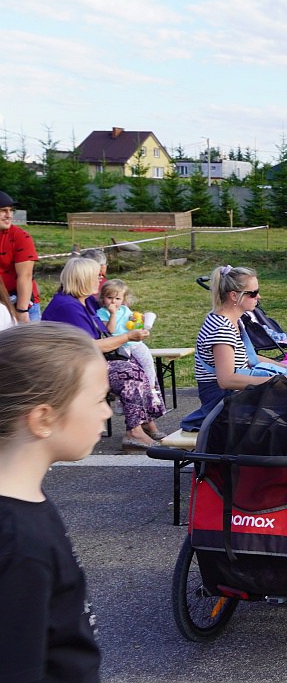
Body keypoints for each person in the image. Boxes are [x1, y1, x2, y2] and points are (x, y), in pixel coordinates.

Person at [0, 322, 108, 682]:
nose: (108, 413)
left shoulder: (25, 503)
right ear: (43, 418)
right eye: (98, 399)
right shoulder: (19, 543)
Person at [42, 257, 166, 450]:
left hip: (88, 362)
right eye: (96, 276)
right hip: (72, 368)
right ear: (82, 279)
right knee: (129, 372)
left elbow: (113, 315)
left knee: (140, 363)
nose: (100, 281)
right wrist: (127, 337)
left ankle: (146, 421)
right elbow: (92, 346)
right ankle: (134, 431)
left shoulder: (85, 301)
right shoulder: (66, 306)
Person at [181, 264, 287, 432]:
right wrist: (273, 382)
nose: (259, 297)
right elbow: (226, 380)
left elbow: (250, 357)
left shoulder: (233, 321)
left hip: (235, 397)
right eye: (253, 293)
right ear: (234, 295)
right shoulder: (222, 329)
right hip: (222, 404)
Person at [96, 279, 163, 416]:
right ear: (103, 298)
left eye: (118, 298)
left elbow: (131, 323)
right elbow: (110, 330)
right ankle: (123, 401)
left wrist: (137, 321)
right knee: (128, 375)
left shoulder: (125, 309)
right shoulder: (102, 312)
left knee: (148, 364)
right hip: (120, 347)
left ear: (123, 300)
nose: (113, 302)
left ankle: (151, 391)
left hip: (135, 344)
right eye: (110, 298)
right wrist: (113, 314)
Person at [0, 190, 40, 322]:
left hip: (18, 301)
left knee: (28, 342)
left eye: (11, 210)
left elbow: (25, 275)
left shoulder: (20, 237)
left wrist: (22, 310)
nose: (9, 215)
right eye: (3, 210)